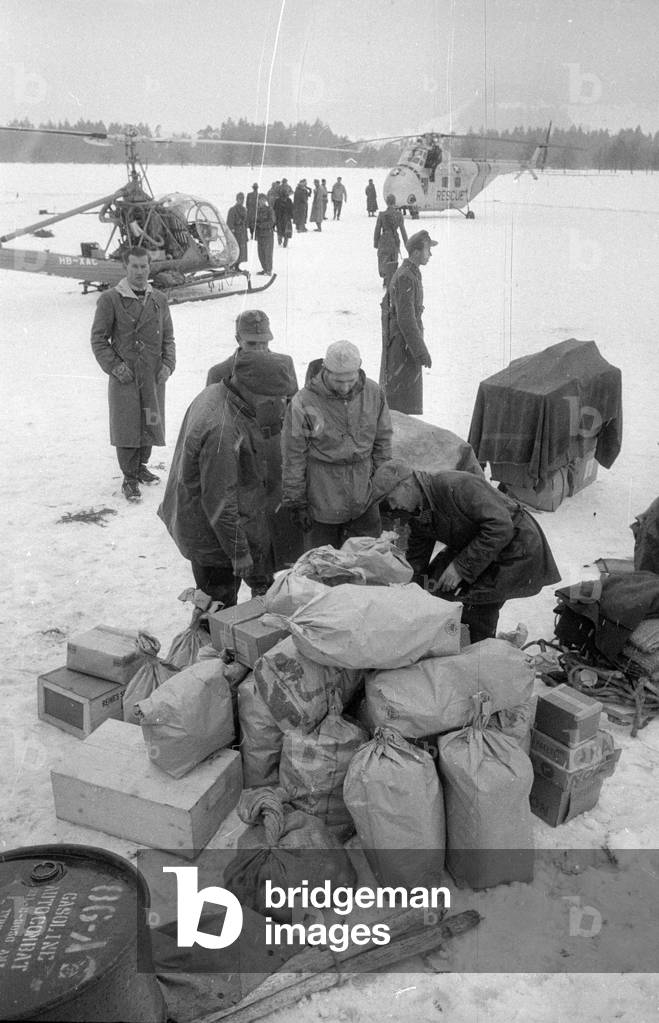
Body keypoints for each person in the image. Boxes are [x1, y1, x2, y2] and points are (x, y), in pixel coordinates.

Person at [158, 351, 298, 606]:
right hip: (212, 540)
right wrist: (239, 553)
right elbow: (219, 500)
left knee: (219, 605)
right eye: (275, 399)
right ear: (253, 390)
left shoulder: (218, 393)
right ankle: (210, 642)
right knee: (217, 609)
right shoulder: (223, 429)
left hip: (210, 526)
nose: (280, 407)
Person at [370, 459, 561, 643]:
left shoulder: (456, 485)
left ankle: (479, 657)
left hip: (517, 546)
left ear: (406, 485)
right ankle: (454, 645)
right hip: (479, 543)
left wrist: (460, 568)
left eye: (392, 499)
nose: (393, 506)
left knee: (474, 605)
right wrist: (408, 586)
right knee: (433, 586)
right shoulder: (418, 509)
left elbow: (501, 526)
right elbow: (418, 555)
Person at [206, 312, 301, 569]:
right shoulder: (219, 372)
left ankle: (278, 573)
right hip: (242, 453)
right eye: (252, 344)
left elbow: (294, 408)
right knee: (248, 514)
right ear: (238, 339)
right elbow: (214, 417)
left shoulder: (283, 364)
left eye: (264, 344)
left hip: (274, 450)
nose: (260, 350)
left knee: (279, 516)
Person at [282, 340, 392, 549]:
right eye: (338, 380)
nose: (344, 387)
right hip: (322, 500)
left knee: (367, 562)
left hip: (364, 497)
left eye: (350, 380)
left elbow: (383, 441)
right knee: (322, 567)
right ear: (325, 370)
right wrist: (297, 502)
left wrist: (382, 485)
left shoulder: (373, 393)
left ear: (359, 370)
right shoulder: (304, 402)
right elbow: (293, 455)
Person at [90, 246, 175, 503]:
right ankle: (129, 476)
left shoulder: (159, 299)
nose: (139, 272)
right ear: (125, 268)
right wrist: (115, 366)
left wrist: (168, 365)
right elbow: (98, 340)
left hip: (152, 375)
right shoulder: (110, 299)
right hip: (125, 376)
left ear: (150, 267)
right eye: (134, 266)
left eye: (144, 266)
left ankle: (141, 466)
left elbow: (169, 338)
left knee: (150, 418)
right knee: (127, 422)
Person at [380, 229, 435, 415]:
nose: (430, 255)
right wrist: (421, 351)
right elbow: (406, 319)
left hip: (405, 346)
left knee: (403, 402)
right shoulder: (406, 277)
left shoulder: (411, 273)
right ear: (416, 252)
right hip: (403, 348)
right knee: (401, 406)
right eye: (428, 250)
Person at [373, 193, 408, 289]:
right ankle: (391, 279)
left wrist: (376, 242)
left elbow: (377, 230)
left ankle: (386, 279)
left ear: (387, 202)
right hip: (394, 240)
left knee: (384, 258)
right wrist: (407, 244)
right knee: (393, 258)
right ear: (394, 202)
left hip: (384, 239)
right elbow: (403, 230)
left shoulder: (382, 215)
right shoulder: (398, 215)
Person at [254, 194, 275, 275]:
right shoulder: (257, 210)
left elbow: (272, 222)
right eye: (259, 200)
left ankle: (269, 270)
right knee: (261, 253)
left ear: (265, 200)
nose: (261, 201)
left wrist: (262, 225)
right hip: (260, 235)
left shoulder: (269, 209)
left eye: (262, 200)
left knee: (268, 253)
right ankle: (264, 269)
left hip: (268, 234)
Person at [226, 192, 248, 269]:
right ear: (236, 199)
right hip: (235, 234)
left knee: (241, 251)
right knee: (234, 250)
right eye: (239, 199)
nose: (241, 201)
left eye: (242, 199)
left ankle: (237, 265)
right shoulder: (232, 210)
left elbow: (246, 223)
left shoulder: (244, 210)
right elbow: (229, 223)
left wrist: (246, 235)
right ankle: (231, 265)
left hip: (242, 233)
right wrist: (232, 232)